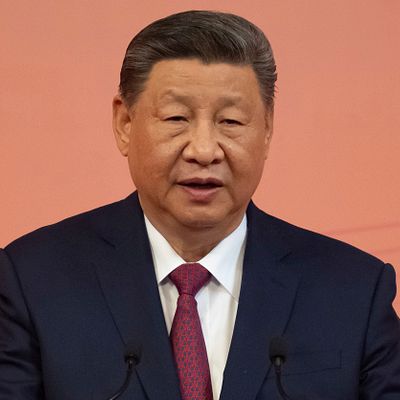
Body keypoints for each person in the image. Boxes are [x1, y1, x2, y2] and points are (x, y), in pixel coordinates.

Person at [0, 10, 399, 400]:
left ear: (267, 128)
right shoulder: (34, 280)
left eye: (231, 121)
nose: (204, 150)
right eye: (176, 118)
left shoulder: (353, 290)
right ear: (125, 124)